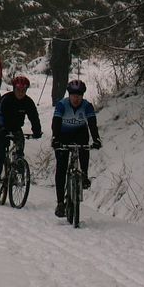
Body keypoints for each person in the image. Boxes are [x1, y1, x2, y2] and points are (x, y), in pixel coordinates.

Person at [51, 79, 101, 217]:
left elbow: (92, 124)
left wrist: (96, 139)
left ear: (83, 95)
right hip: (63, 135)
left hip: (80, 133)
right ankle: (60, 203)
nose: (76, 98)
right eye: (73, 94)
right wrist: (55, 138)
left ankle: (84, 175)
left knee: (84, 149)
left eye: (79, 95)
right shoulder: (62, 105)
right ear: (69, 94)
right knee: (61, 167)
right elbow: (55, 123)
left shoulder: (87, 106)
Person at [0, 75, 42, 198]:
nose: (20, 93)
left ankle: (18, 168)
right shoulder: (6, 99)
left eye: (23, 91)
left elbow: (34, 117)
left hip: (16, 129)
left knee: (20, 149)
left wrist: (37, 131)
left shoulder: (28, 102)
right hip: (1, 129)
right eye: (18, 90)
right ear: (14, 89)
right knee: (1, 156)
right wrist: (2, 128)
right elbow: (0, 115)